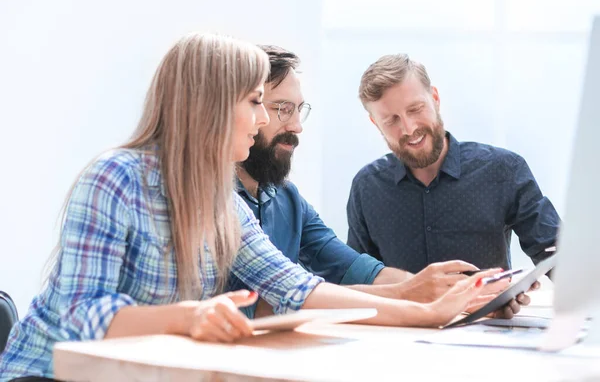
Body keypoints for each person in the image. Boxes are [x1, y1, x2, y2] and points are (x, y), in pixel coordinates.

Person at [0, 34, 498, 382]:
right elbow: (85, 315)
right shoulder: (116, 178)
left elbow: (297, 288)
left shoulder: (222, 201)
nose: (263, 119)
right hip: (47, 374)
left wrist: (423, 313)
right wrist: (191, 316)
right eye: (256, 101)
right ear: (212, 104)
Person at [232, 45, 520, 318]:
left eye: (298, 110)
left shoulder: (288, 200)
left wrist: (452, 294)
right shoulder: (216, 201)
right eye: (281, 109)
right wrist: (415, 299)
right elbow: (280, 299)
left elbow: (356, 269)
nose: (297, 126)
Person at [347, 53, 559, 276]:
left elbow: (556, 255)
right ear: (376, 124)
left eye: (415, 109)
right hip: (405, 312)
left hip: (488, 311)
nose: (409, 129)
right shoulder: (367, 188)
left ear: (435, 99)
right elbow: (357, 280)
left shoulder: (504, 170)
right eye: (392, 120)